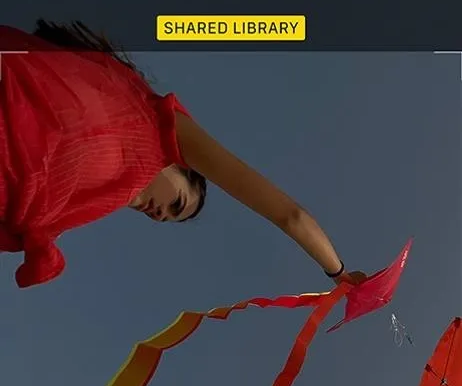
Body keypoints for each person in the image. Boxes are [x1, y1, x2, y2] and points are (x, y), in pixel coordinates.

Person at [0, 21, 366, 290]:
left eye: (167, 218)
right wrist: (338, 273)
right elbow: (290, 215)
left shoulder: (86, 200)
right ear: (179, 166)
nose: (161, 215)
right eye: (177, 203)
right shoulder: (158, 125)